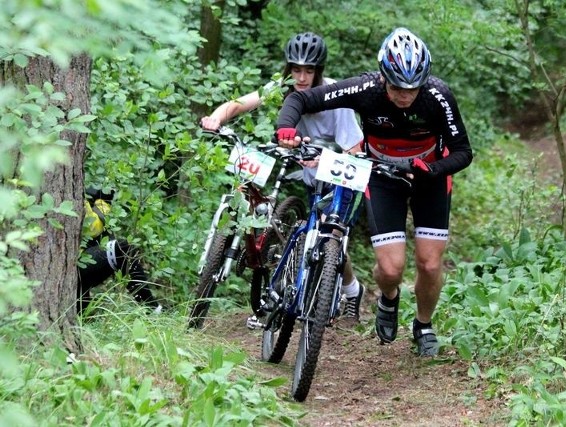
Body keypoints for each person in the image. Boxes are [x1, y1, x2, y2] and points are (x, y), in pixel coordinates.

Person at [275, 27, 473, 356]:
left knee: (429, 263)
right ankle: (389, 298)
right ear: (383, 77)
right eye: (397, 86)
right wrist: (286, 126)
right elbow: (300, 98)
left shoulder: (438, 95)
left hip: (430, 176)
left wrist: (433, 169)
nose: (405, 95)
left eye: (413, 87)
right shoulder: (365, 89)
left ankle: (423, 324)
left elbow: (462, 151)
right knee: (392, 268)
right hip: (382, 176)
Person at [201, 32, 366, 320]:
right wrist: (216, 117)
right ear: (288, 68)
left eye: (308, 70)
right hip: (306, 168)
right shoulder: (282, 88)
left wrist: (328, 158)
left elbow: (354, 147)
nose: (301, 77)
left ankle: (351, 289)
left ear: (319, 71)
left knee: (330, 235)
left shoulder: (334, 96)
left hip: (335, 172)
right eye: (296, 69)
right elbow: (240, 103)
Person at [78, 187, 161, 315]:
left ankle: (151, 309)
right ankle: (152, 310)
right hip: (74, 267)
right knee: (122, 249)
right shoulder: (67, 190)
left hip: (75, 268)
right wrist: (103, 203)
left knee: (115, 246)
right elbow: (91, 228)